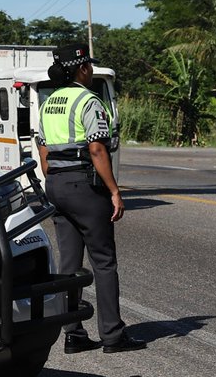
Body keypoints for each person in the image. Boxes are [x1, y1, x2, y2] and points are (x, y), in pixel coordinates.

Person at [34, 44, 144, 355]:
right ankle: (112, 335)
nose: (92, 71)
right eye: (89, 66)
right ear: (82, 68)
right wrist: (114, 191)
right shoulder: (89, 100)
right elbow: (97, 148)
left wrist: (56, 178)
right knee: (104, 262)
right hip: (83, 186)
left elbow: (43, 149)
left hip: (56, 184)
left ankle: (73, 334)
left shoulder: (49, 102)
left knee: (69, 264)